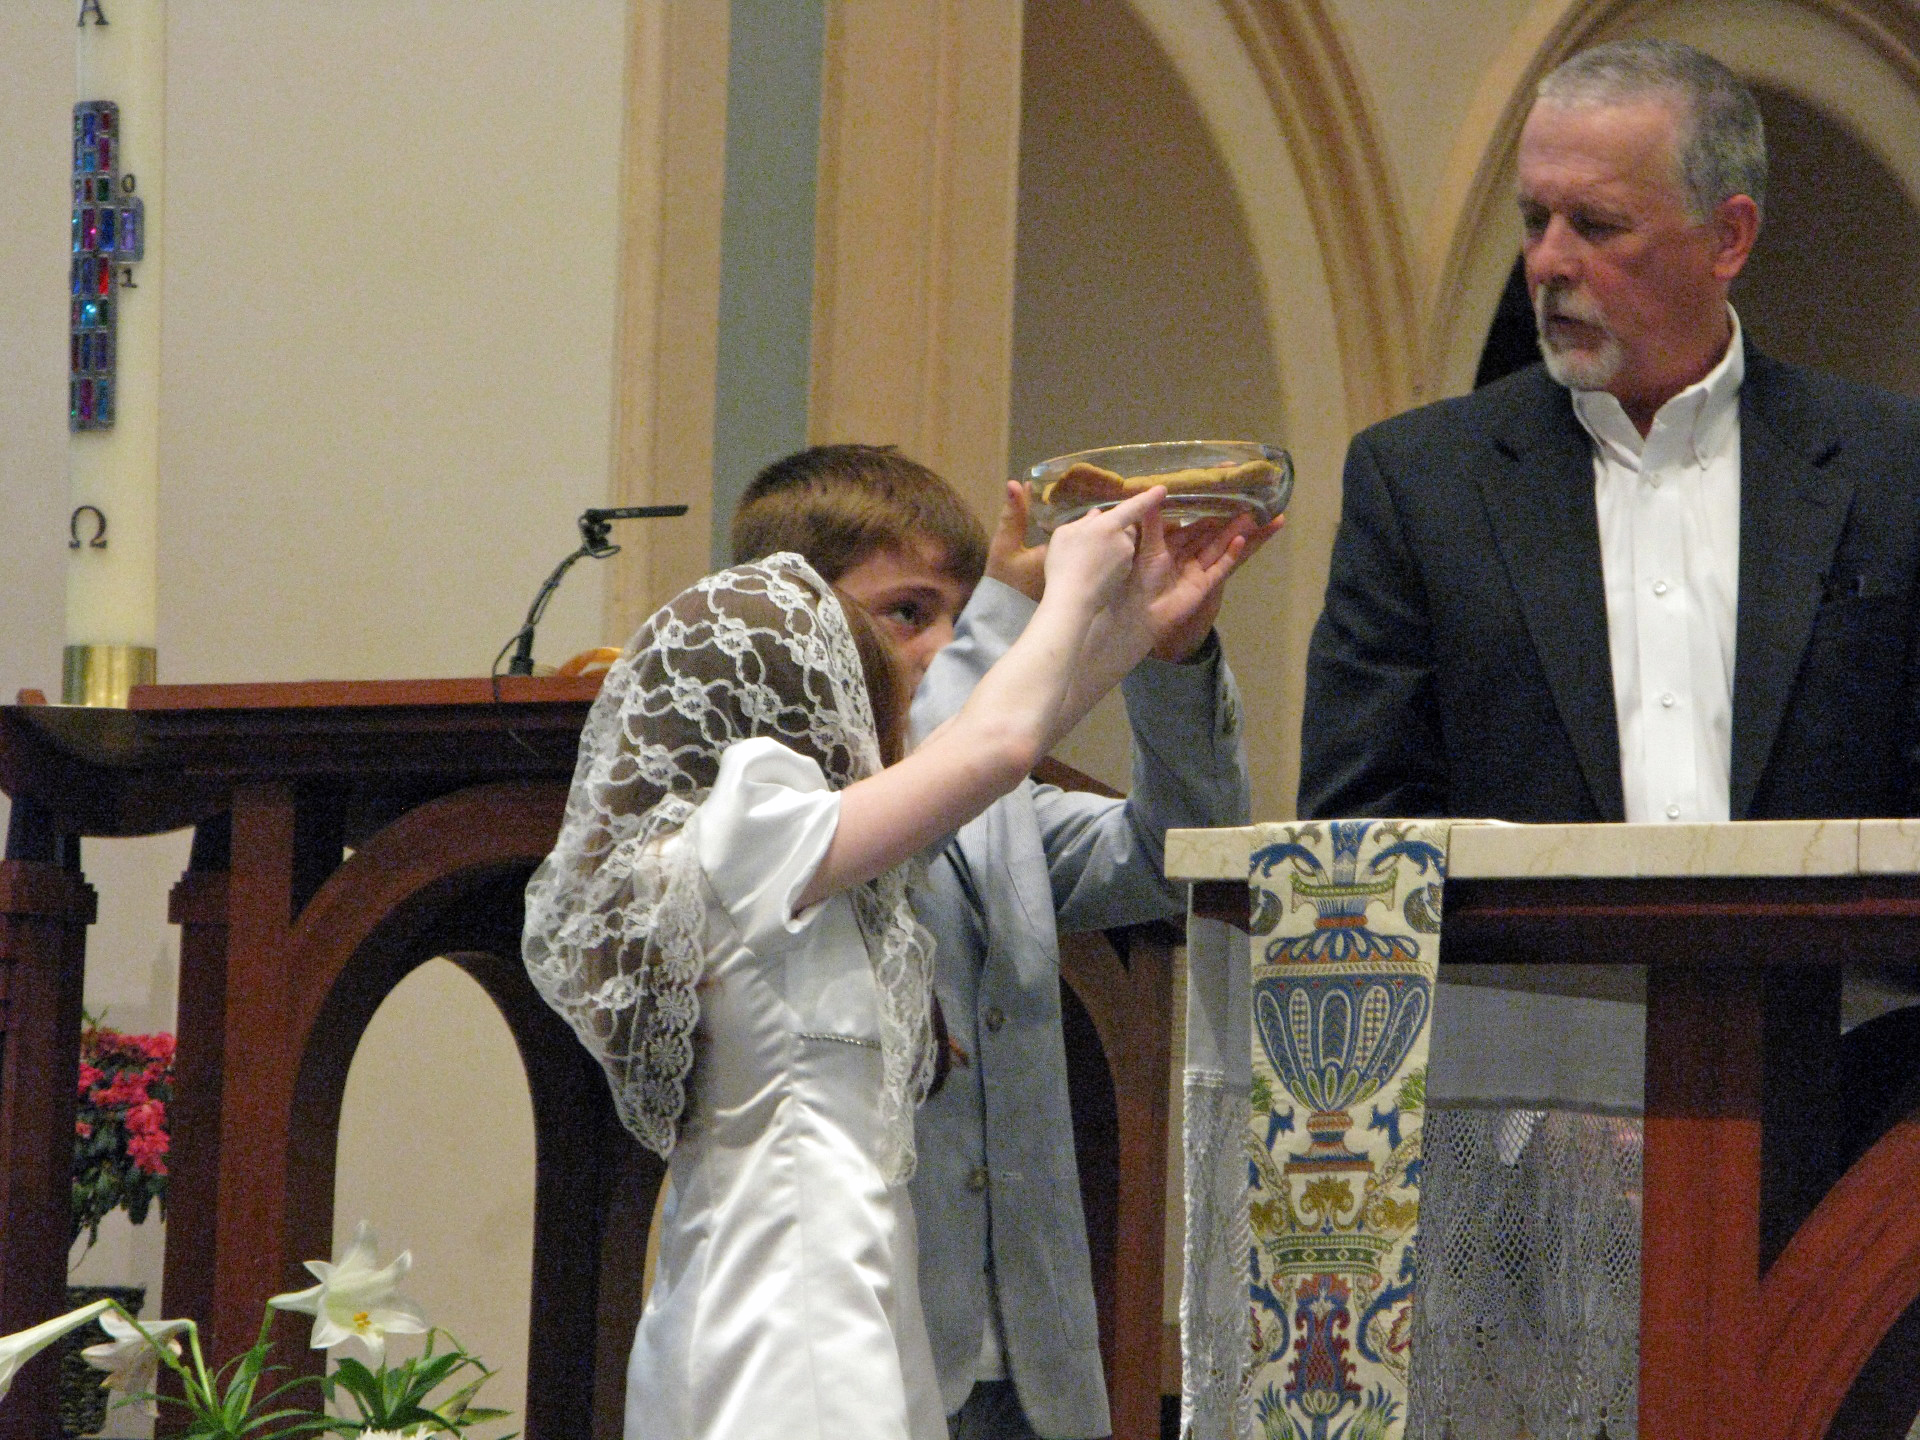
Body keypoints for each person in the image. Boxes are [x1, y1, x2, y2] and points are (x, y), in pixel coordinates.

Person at [523, 485, 1220, 1440]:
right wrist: (1066, 593)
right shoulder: (746, 834)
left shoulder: (820, 855)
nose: (916, 683)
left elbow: (995, 743)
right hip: (785, 1300)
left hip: (853, 1282)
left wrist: (1136, 627)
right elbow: (994, 744)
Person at [731, 445, 1270, 1440]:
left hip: (1032, 1360)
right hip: (858, 1353)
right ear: (798, 627)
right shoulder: (772, 806)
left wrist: (1171, 661)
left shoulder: (998, 805)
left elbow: (1184, 856)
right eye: (908, 613)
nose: (944, 644)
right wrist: (1007, 619)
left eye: (958, 614)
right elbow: (935, 774)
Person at [1299, 37, 1920, 826]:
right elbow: (1356, 832)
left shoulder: (1893, 467)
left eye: (1596, 225)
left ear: (1728, 237)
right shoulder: (1419, 485)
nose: (1549, 263)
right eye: (1535, 220)